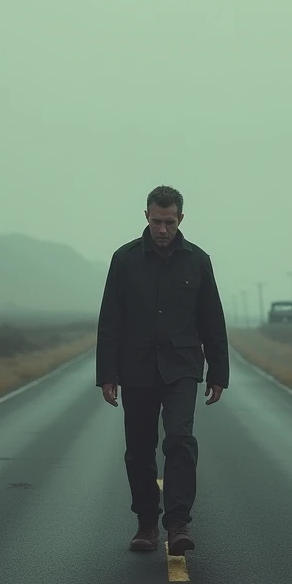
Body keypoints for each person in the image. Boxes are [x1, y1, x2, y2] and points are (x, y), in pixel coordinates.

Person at [96, 185, 229, 555]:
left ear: (181, 219)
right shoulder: (124, 260)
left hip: (182, 368)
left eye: (169, 222)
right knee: (139, 450)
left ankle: (179, 522)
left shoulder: (198, 261)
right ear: (146, 216)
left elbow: (212, 321)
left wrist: (219, 372)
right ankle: (146, 524)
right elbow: (110, 321)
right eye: (157, 221)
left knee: (180, 440)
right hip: (135, 368)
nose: (163, 229)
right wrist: (108, 374)